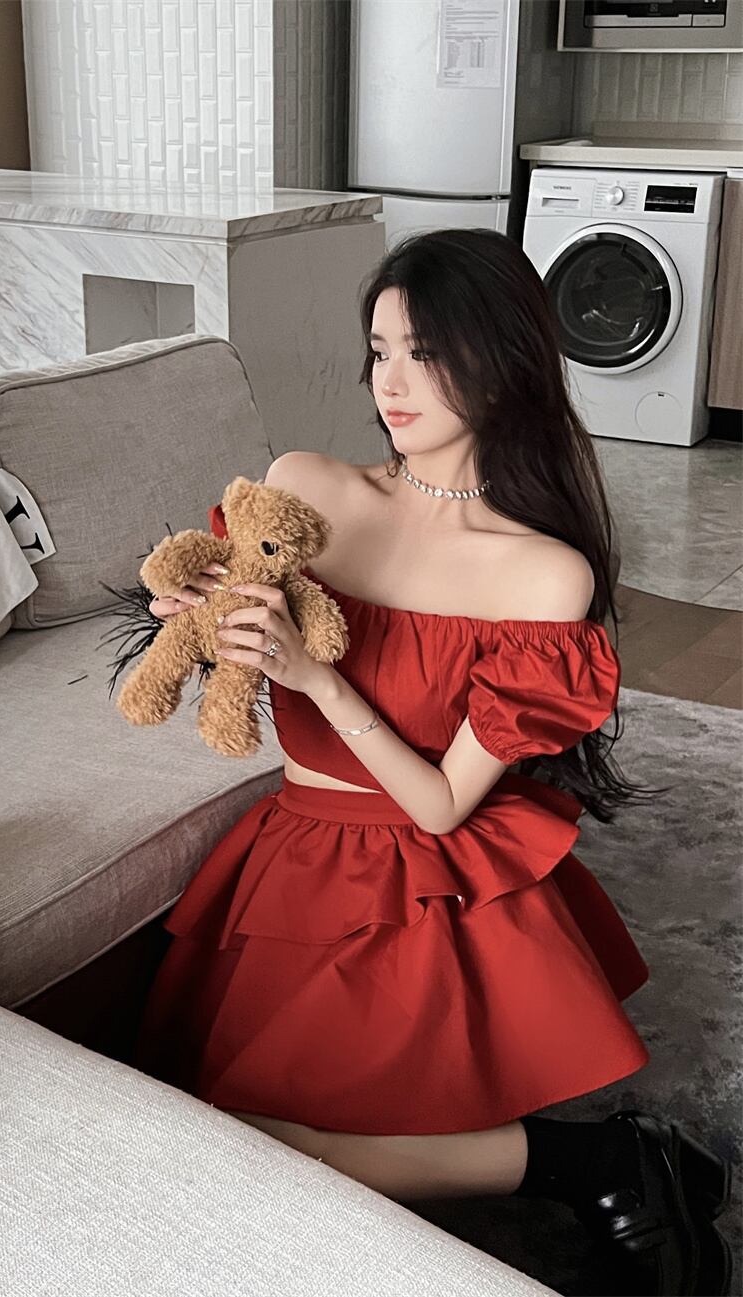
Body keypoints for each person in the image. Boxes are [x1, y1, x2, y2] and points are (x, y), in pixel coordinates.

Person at [130, 229, 732, 1296]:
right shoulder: (306, 488)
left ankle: (597, 1160)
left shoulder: (540, 573)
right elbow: (224, 640)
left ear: (503, 361)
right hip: (293, 857)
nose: (392, 382)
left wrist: (318, 680)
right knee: (196, 1121)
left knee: (259, 1143)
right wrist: (199, 620)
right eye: (380, 351)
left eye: (426, 353)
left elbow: (445, 803)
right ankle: (593, 1160)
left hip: (418, 870)